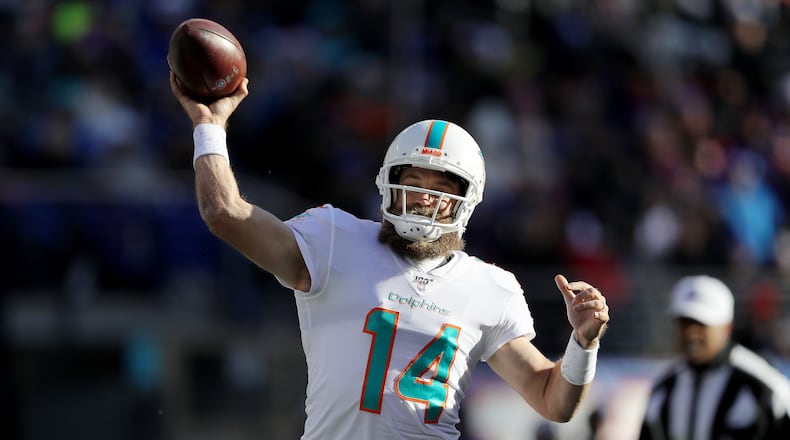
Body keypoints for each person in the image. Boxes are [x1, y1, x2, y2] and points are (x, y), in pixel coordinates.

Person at [170, 73, 610, 439]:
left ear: (466, 203)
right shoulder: (333, 238)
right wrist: (209, 126)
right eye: (413, 181)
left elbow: (553, 401)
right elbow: (225, 214)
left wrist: (582, 343)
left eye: (439, 189)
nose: (421, 199)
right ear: (388, 184)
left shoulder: (490, 287)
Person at [639, 275, 790, 439]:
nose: (691, 334)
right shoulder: (665, 387)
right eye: (684, 323)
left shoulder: (762, 384)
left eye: (701, 325)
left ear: (726, 327)